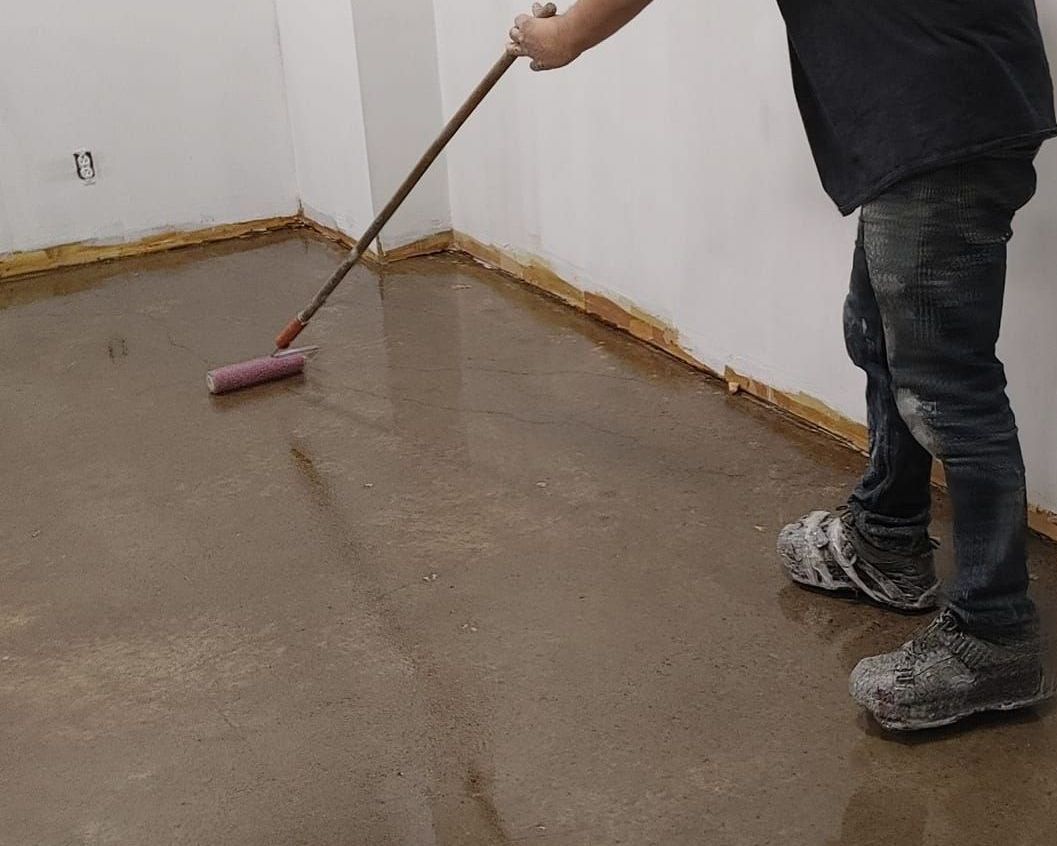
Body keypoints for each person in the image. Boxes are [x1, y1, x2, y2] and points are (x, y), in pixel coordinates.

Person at [509, 0, 1056, 731]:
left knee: (946, 387)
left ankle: (994, 634)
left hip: (941, 106)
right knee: (878, 335)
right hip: (933, 102)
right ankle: (885, 540)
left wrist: (562, 35)